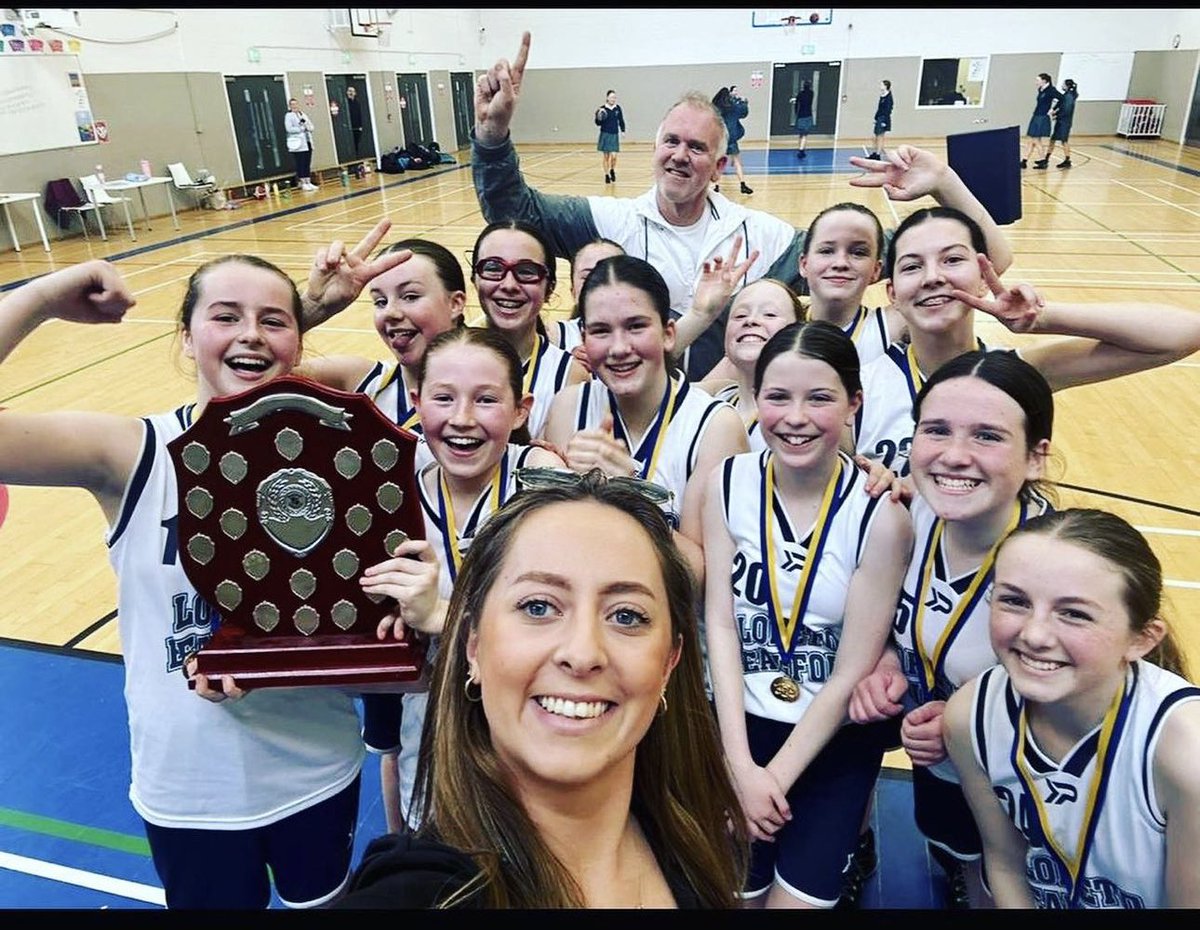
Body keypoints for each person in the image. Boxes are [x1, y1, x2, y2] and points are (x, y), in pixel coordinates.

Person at [0, 249, 432, 909]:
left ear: (300, 338)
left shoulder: (334, 458)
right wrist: (41, 297)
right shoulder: (133, 453)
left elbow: (365, 645)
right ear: (184, 334)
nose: (250, 333)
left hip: (315, 769)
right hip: (187, 791)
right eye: (224, 316)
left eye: (272, 321)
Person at [471, 31, 1015, 383]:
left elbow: (980, 256)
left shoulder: (766, 239)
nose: (681, 156)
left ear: (722, 164)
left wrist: (944, 181)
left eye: (698, 148)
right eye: (671, 142)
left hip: (732, 419)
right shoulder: (609, 222)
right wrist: (493, 135)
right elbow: (512, 211)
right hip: (624, 408)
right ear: (654, 147)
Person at [333, 472, 751, 907]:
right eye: (538, 607)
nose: (583, 652)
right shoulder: (422, 893)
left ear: (670, 662)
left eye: (626, 616)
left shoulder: (692, 846)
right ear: (473, 645)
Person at [703, 321, 913, 908]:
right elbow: (719, 622)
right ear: (756, 398)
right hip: (740, 730)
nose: (795, 417)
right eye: (777, 396)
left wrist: (771, 780)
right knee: (735, 898)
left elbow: (852, 671)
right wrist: (739, 765)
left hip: (832, 744)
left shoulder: (881, 515)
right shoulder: (726, 483)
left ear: (854, 402)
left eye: (819, 397)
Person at [850, 349, 1058, 909]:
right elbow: (907, 621)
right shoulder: (913, 515)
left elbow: (1094, 705)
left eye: (987, 436)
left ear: (1036, 458)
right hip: (936, 759)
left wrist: (976, 721)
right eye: (936, 430)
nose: (955, 456)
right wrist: (891, 663)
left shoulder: (1058, 564)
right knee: (957, 856)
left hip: (1024, 788)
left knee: (1006, 879)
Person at [362, 325, 568, 836]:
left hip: (536, 756)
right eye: (443, 398)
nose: (461, 419)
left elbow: (561, 635)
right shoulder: (382, 499)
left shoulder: (547, 492)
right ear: (415, 402)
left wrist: (441, 616)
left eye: (486, 400)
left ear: (522, 409)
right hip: (431, 747)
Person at [944, 508, 1200, 908]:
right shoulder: (968, 717)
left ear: (1142, 639)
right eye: (1014, 600)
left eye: (1074, 614)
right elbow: (1006, 864)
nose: (1034, 634)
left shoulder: (1185, 751)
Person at [853, 205, 1200, 476]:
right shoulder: (860, 385)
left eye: (953, 260)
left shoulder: (1020, 373)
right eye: (912, 266)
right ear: (892, 292)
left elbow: (1184, 333)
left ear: (983, 279)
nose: (933, 277)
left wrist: (1044, 318)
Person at [542, 255, 749, 579]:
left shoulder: (715, 427)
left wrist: (630, 493)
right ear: (583, 337)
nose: (619, 347)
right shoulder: (568, 408)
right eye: (600, 331)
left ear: (668, 333)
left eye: (636, 326)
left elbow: (702, 578)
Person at [302, 236, 467, 475]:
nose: (390, 312)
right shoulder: (359, 381)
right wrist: (313, 307)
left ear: (456, 304)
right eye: (380, 301)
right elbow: (252, 382)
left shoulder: (492, 396)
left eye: (410, 296)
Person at [470, 220, 590, 440]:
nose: (508, 285)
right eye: (493, 268)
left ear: (550, 287)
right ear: (474, 279)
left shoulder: (570, 375)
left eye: (526, 271)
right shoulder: (445, 358)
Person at [544, 237, 625, 359]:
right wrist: (567, 366)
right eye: (588, 276)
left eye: (612, 273)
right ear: (573, 290)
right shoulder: (553, 337)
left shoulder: (648, 332)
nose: (599, 283)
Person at [713, 85, 753, 195]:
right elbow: (744, 113)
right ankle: (743, 184)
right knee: (737, 162)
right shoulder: (734, 107)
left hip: (721, 138)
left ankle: (717, 186)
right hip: (732, 139)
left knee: (718, 163)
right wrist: (745, 103)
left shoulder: (716, 108)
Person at [1021, 73, 1061, 169]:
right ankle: (1024, 161)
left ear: (1044, 81)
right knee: (1031, 139)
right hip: (1036, 115)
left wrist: (1053, 109)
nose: (1036, 82)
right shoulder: (1040, 89)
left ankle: (1043, 160)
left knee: (1035, 139)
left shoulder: (1051, 90)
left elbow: (1062, 99)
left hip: (1042, 117)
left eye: (1037, 80)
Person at [285, 96, 318, 192]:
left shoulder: (302, 114)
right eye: (292, 105)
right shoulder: (289, 116)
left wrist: (308, 128)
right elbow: (289, 129)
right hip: (297, 143)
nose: (294, 106)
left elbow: (310, 125)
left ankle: (308, 181)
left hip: (307, 142)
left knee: (307, 162)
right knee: (301, 162)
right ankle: (302, 182)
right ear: (290, 106)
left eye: (296, 104)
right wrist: (300, 129)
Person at [1044, 78, 1077, 169]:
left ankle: (1067, 160)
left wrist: (1056, 115)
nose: (1062, 86)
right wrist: (1053, 110)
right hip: (1061, 121)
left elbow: (1066, 110)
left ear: (1067, 86)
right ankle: (1046, 159)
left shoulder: (1069, 96)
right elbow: (1059, 104)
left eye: (1063, 84)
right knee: (1053, 140)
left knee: (1064, 141)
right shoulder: (1066, 95)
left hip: (1064, 122)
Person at [595, 89, 625, 184]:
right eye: (611, 97)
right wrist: (598, 117)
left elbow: (621, 120)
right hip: (605, 134)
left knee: (614, 156)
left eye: (614, 97)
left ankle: (612, 170)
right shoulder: (602, 109)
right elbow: (598, 123)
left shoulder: (617, 108)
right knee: (606, 157)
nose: (613, 99)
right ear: (607, 98)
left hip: (614, 134)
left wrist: (623, 130)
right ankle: (607, 175)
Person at [869, 80, 892, 160]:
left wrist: (884, 122)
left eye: (881, 85)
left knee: (880, 136)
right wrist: (876, 118)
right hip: (879, 118)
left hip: (883, 119)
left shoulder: (888, 97)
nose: (880, 86)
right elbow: (879, 109)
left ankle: (878, 154)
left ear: (886, 86)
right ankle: (876, 153)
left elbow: (888, 110)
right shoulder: (882, 96)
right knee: (876, 136)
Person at [794, 81, 815, 159]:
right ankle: (801, 150)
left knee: (800, 134)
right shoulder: (811, 93)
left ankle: (800, 148)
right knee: (805, 135)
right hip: (808, 115)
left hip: (800, 116)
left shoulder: (800, 94)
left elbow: (796, 104)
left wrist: (796, 113)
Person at [345, 85, 364, 158]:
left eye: (352, 91)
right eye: (349, 91)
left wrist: (360, 125)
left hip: (357, 126)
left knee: (356, 141)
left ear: (355, 93)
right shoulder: (345, 102)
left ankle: (356, 155)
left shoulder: (357, 103)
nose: (350, 93)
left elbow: (359, 114)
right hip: (348, 126)